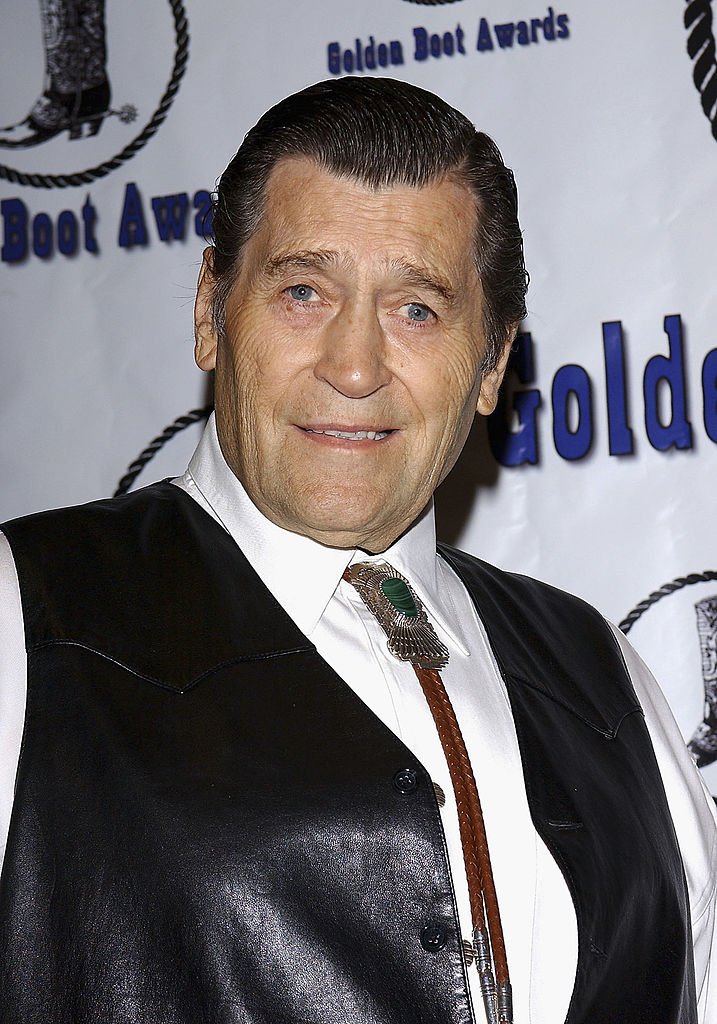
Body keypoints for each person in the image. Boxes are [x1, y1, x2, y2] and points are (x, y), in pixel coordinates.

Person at [0, 77, 715, 1024]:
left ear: (494, 360)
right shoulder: (23, 619)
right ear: (213, 312)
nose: (353, 365)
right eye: (303, 291)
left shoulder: (602, 675)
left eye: (416, 310)